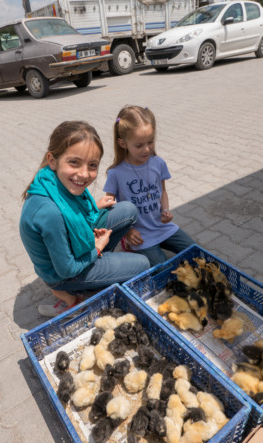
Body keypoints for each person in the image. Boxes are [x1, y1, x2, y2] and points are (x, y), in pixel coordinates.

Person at [19, 121, 150, 317]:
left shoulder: (52, 181)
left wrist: (95, 206)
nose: (84, 174)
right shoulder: (51, 212)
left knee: (127, 210)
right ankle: (73, 299)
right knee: (143, 264)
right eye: (74, 162)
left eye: (92, 165)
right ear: (52, 160)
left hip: (69, 252)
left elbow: (71, 217)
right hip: (63, 276)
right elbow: (66, 269)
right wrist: (97, 248)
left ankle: (105, 267)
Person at [103, 105, 195, 267]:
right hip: (140, 235)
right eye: (139, 145)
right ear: (122, 143)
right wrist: (127, 231)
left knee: (196, 253)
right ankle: (129, 246)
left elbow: (163, 192)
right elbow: (108, 208)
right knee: (164, 269)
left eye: (150, 142)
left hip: (163, 228)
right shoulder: (115, 173)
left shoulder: (158, 163)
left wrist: (166, 210)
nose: (146, 149)